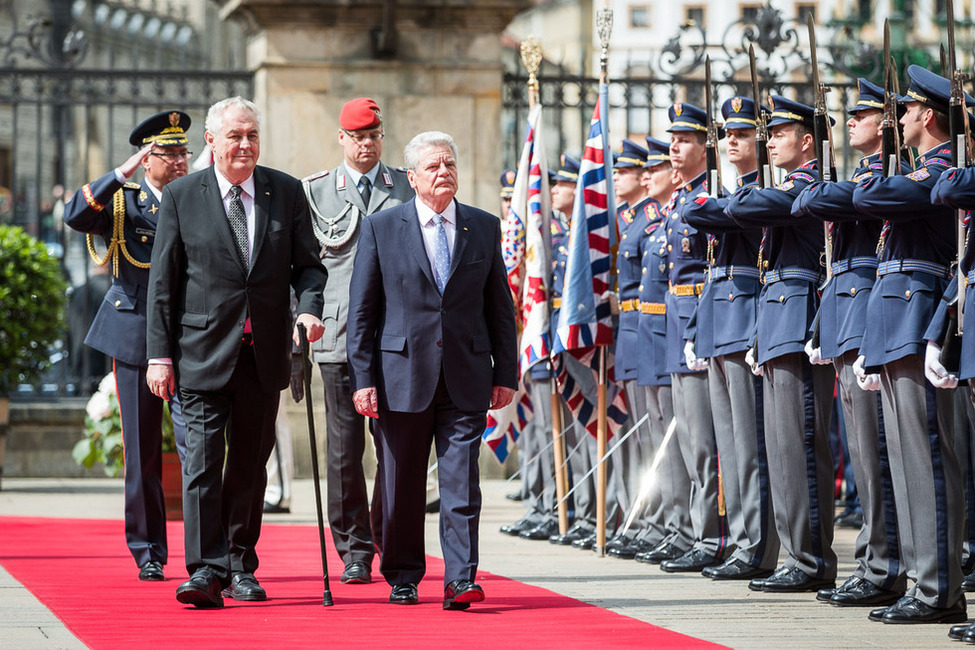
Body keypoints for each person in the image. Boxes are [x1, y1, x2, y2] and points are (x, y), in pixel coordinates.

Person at [146, 96, 327, 608]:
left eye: (251, 135)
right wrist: (159, 356)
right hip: (200, 351)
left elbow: (309, 268)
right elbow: (164, 283)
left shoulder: (285, 191)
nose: (244, 145)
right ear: (211, 140)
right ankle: (205, 570)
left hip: (263, 354)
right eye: (234, 136)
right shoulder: (183, 195)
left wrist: (309, 308)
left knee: (249, 463)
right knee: (202, 463)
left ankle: (240, 564)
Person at [347, 131, 517, 609]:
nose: (444, 173)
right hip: (401, 376)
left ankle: (460, 578)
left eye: (450, 165)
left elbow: (499, 307)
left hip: (465, 374)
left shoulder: (482, 227)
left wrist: (506, 371)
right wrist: (363, 380)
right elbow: (363, 311)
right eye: (433, 167)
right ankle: (403, 574)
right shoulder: (382, 227)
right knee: (401, 484)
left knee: (462, 482)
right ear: (411, 177)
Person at [852, 65, 970, 624]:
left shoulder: (942, 172)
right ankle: (924, 582)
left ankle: (938, 587)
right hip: (894, 319)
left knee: (926, 458)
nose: (895, 121)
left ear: (927, 115)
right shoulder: (923, 170)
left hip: (919, 315)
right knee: (905, 460)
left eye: (904, 111)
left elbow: (872, 193)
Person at [63, 110, 192, 583]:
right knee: (141, 451)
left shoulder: (196, 200)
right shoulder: (125, 203)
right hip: (135, 333)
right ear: (148, 157)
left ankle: (203, 552)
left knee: (195, 447)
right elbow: (75, 215)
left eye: (184, 152)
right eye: (170, 153)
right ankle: (148, 550)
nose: (180, 161)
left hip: (187, 336)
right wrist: (121, 173)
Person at [792, 78, 906, 607]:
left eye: (861, 116)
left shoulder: (887, 175)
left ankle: (885, 564)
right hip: (844, 313)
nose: (851, 123)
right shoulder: (862, 175)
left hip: (869, 313)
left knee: (877, 451)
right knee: (862, 451)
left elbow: (825, 200)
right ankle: (875, 560)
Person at [725, 96, 837, 594]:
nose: (768, 141)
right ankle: (797, 554)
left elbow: (745, 205)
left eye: (780, 133)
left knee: (801, 443)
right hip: (775, 319)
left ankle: (811, 558)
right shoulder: (786, 189)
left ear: (807, 142)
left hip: (799, 316)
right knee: (781, 446)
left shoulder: (811, 187)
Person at [302, 97, 415, 584]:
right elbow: (304, 268)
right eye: (357, 136)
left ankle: (386, 535)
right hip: (338, 337)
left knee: (395, 447)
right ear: (342, 139)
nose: (366, 144)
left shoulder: (408, 186)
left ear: (381, 137)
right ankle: (352, 548)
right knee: (344, 452)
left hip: (395, 340)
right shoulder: (317, 192)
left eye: (373, 135)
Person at [681, 96, 779, 581]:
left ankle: (757, 546)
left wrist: (714, 203)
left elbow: (717, 214)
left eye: (741, 134)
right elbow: (692, 213)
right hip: (718, 318)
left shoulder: (764, 192)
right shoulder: (728, 192)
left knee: (749, 443)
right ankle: (740, 539)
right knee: (728, 444)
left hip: (746, 314)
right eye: (726, 134)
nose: (730, 141)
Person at [658, 102, 726, 573]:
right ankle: (692, 531)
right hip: (674, 319)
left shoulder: (712, 194)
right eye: (673, 138)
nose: (675, 146)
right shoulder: (682, 198)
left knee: (706, 442)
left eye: (685, 140)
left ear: (706, 146)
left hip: (699, 315)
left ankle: (712, 536)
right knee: (686, 439)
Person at [632, 137, 695, 565]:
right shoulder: (659, 220)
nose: (646, 177)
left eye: (653, 170)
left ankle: (686, 527)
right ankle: (672, 526)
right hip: (654, 331)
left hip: (674, 328)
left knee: (684, 442)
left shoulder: (675, 213)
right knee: (657, 440)